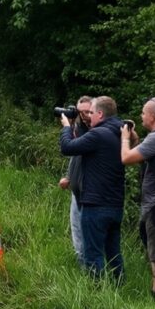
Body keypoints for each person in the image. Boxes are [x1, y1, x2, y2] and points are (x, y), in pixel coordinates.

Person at [60, 96, 126, 280]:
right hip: (115, 204)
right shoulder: (120, 133)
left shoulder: (98, 135)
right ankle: (118, 286)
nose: (89, 116)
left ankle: (95, 291)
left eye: (91, 112)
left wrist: (66, 126)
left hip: (96, 204)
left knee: (93, 253)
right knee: (113, 252)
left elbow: (67, 147)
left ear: (100, 113)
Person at [120, 97, 155, 299]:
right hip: (152, 205)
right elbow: (140, 153)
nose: (141, 116)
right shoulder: (153, 138)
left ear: (152, 116)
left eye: (143, 113)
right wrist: (134, 138)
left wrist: (124, 138)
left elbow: (127, 158)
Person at [58, 96, 94, 263]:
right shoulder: (79, 127)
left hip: (90, 191)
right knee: (77, 230)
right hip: (76, 189)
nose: (84, 116)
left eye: (87, 112)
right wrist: (69, 176)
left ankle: (90, 269)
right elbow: (75, 155)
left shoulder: (96, 131)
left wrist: (67, 127)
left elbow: (68, 147)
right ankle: (82, 266)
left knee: (88, 232)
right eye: (80, 112)